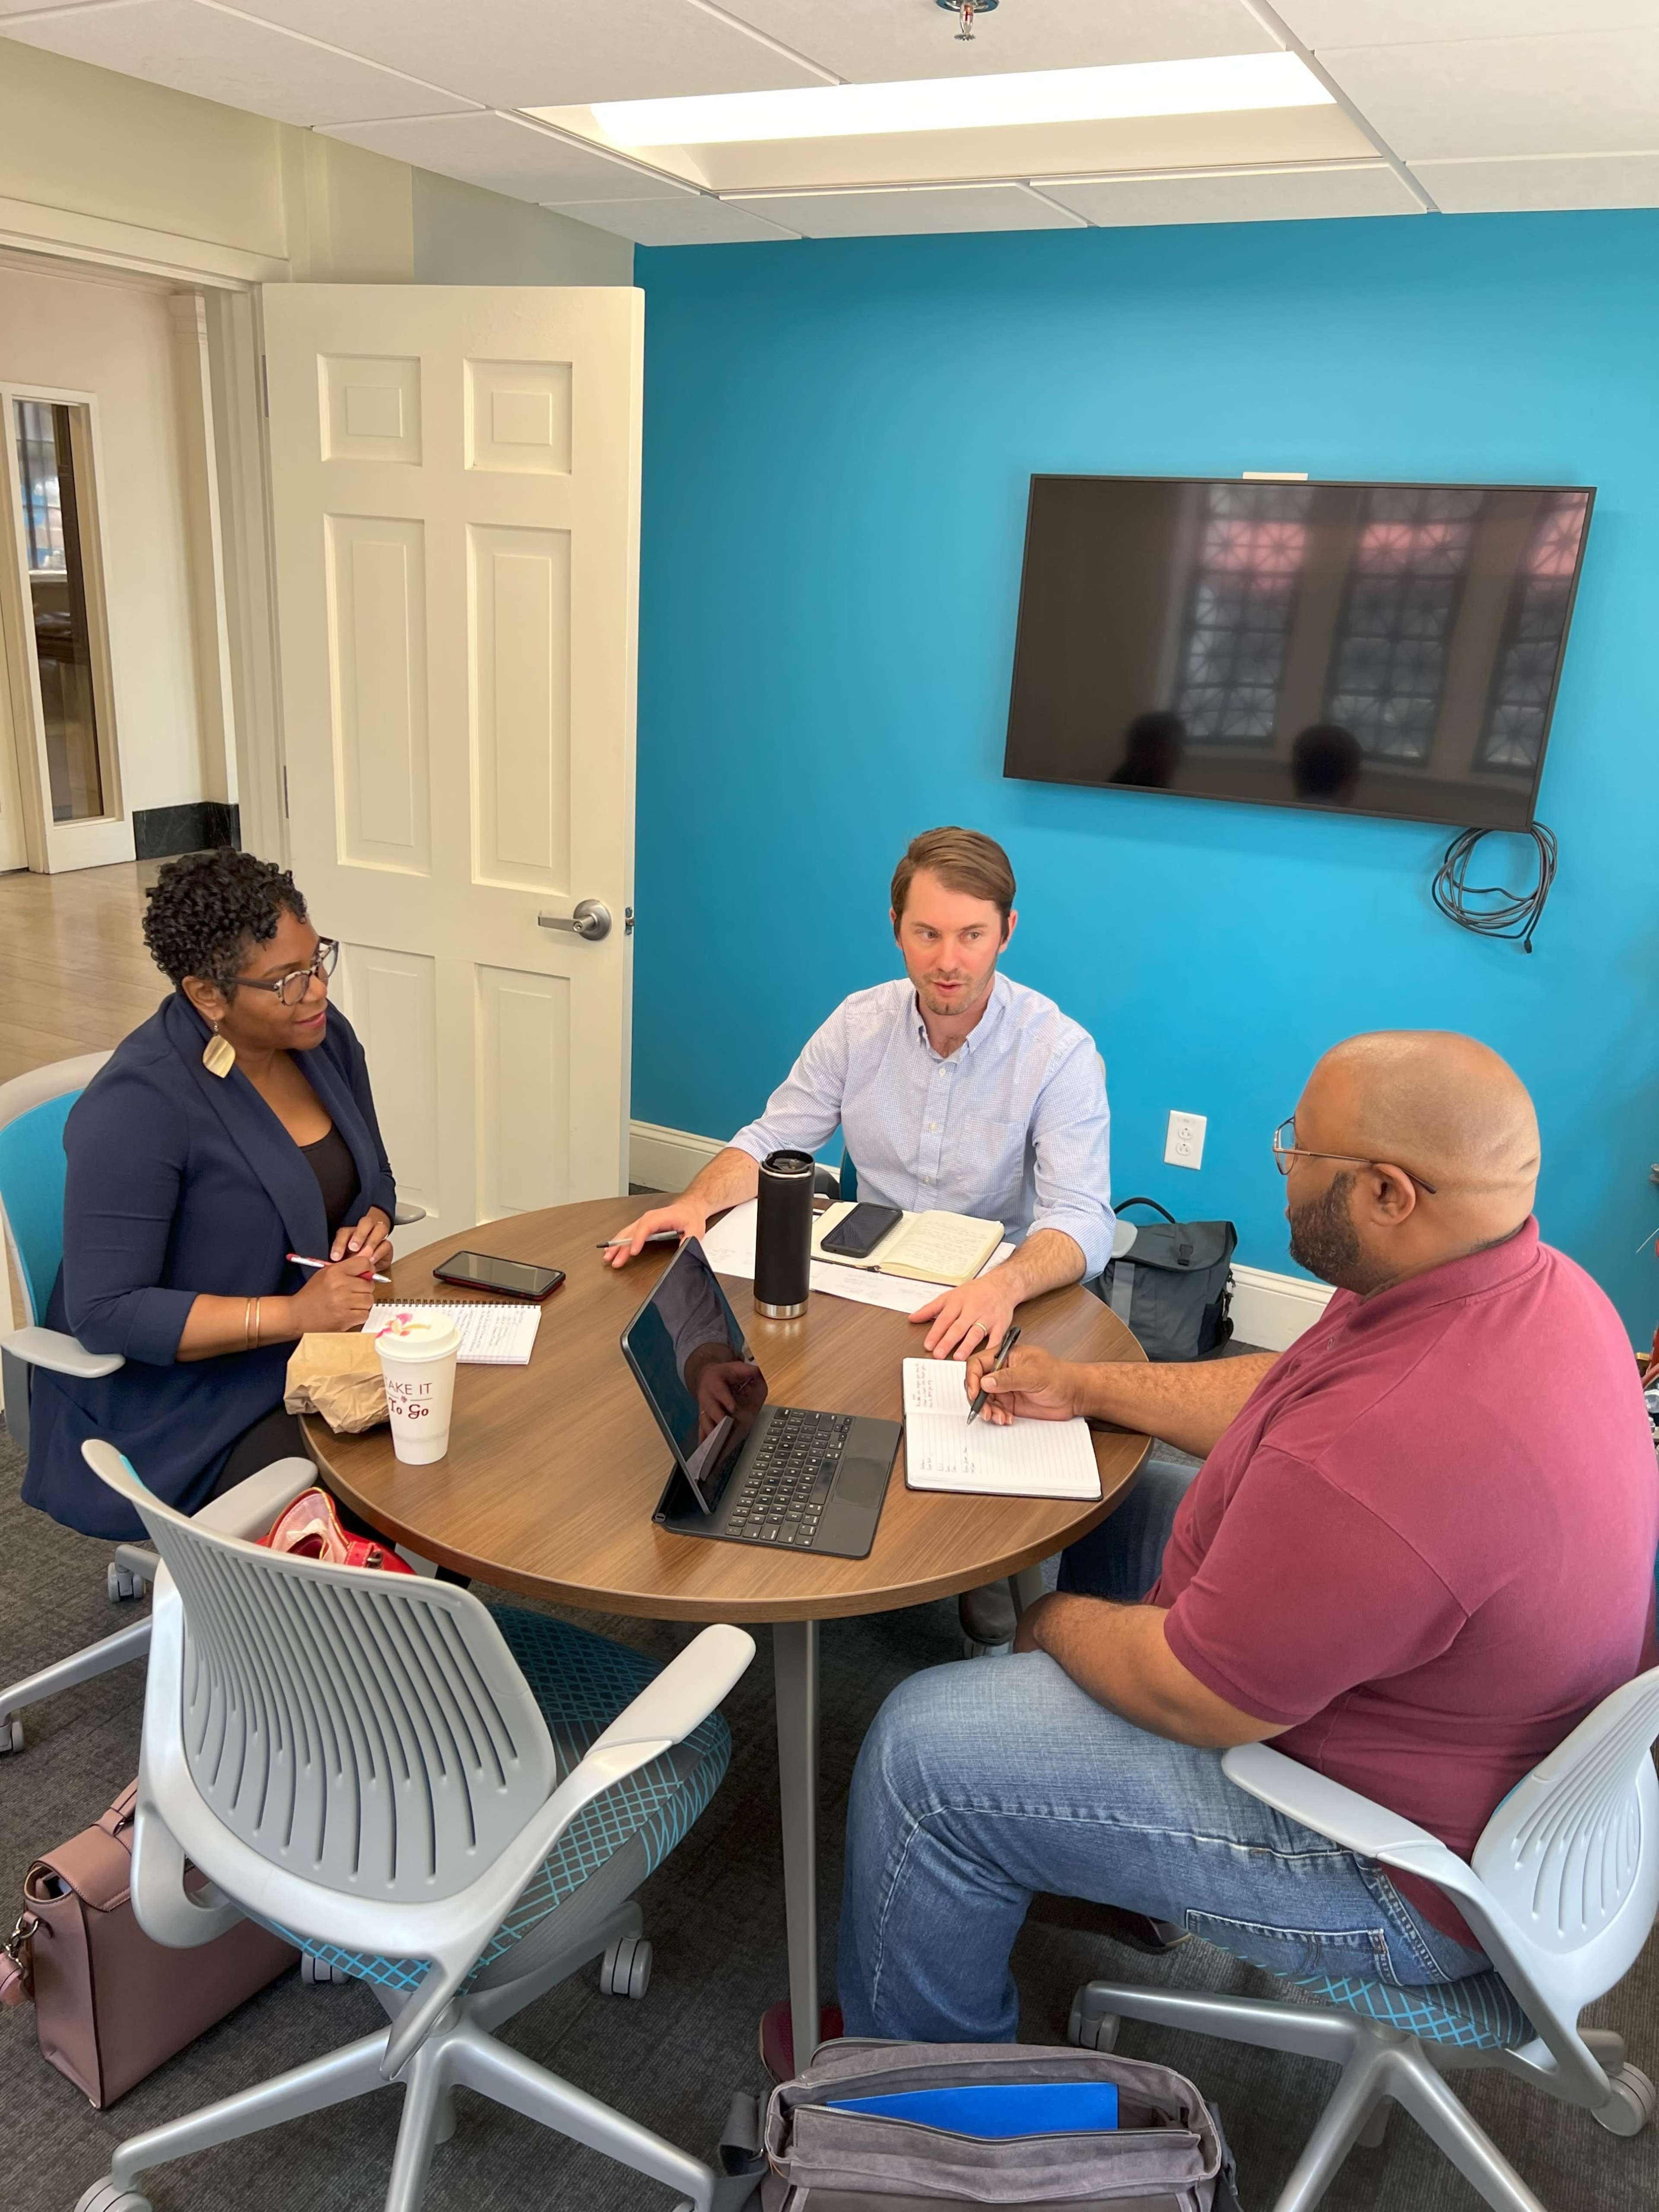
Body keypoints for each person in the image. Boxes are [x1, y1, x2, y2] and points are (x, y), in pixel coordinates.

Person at [838, 1031, 1659, 2042]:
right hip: (1490, 1765)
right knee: (1129, 1496)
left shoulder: (1389, 1443)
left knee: (922, 1750)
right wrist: (1083, 1387)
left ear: (1386, 1193)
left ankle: (907, 2089)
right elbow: (1286, 1390)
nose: (1282, 1168)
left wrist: (1048, 1620)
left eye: (1297, 1150)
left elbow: (1193, 1692)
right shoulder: (1538, 1288)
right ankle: (1098, 1861)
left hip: (1401, 1869)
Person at [606, 826, 1114, 1367]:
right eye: (927, 934)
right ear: (896, 929)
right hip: (861, 1286)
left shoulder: (1059, 1053)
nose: (948, 961)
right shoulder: (858, 1023)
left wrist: (1004, 1285)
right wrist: (694, 1202)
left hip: (994, 1295)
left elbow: (1082, 1216)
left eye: (972, 935)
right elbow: (771, 1140)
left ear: (1006, 931)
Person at [24, 849, 397, 1541]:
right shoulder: (139, 1105)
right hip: (183, 1401)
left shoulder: (322, 1040)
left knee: (458, 1427)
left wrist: (372, 1220)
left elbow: (374, 1173)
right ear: (206, 995)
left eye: (317, 960)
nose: (316, 990)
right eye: (286, 981)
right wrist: (294, 1314)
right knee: (378, 1484)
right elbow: (106, 1313)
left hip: (315, 1349)